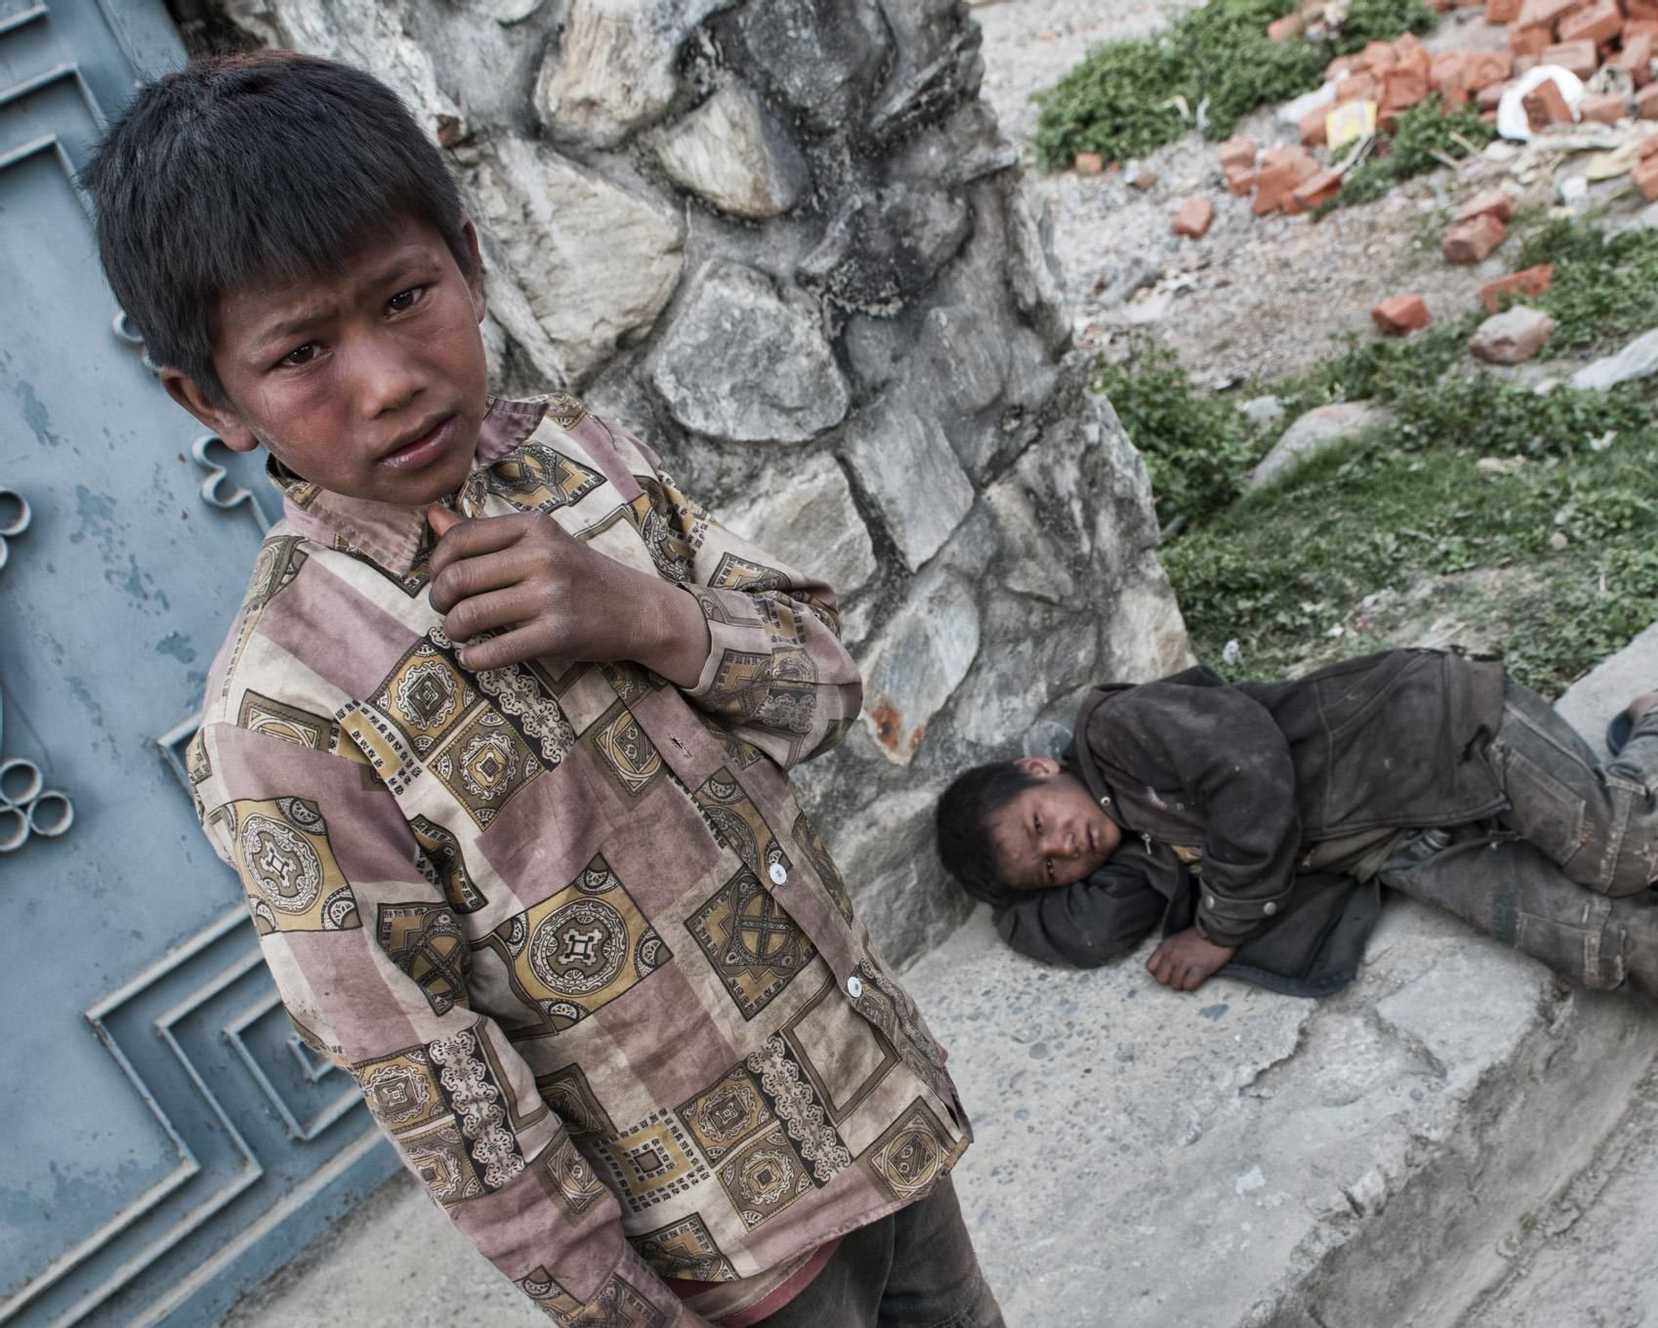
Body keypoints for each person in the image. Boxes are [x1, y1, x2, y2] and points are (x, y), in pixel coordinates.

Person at [84, 51, 1001, 1328]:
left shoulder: (580, 460)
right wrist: (631, 1311)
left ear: (467, 259)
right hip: (729, 1265)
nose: (388, 376)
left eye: (406, 296)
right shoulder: (284, 718)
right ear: (211, 400)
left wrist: (648, 615)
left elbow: (823, 692)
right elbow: (440, 1090)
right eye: (301, 351)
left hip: (884, 1117)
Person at [934, 648, 1658, 1019]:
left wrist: (1223, 925)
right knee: (1598, 938)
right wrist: (1003, 892)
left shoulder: (1119, 729)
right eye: (1051, 864)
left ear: (1037, 764)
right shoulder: (1129, 848)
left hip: (1442, 732)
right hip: (1406, 842)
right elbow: (1081, 928)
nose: (1067, 847)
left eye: (1040, 823)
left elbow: (1249, 769)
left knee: (1623, 848)